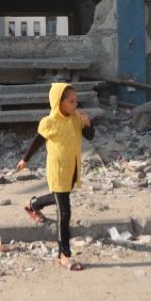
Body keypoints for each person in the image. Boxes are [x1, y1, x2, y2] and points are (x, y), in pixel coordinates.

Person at [15, 82, 95, 271]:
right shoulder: (49, 122)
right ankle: (64, 255)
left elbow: (90, 136)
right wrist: (25, 159)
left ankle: (33, 204)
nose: (76, 104)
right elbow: (37, 141)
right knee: (65, 213)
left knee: (60, 199)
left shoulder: (76, 119)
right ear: (59, 103)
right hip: (57, 170)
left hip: (72, 169)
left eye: (76, 100)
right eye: (72, 101)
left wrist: (88, 124)